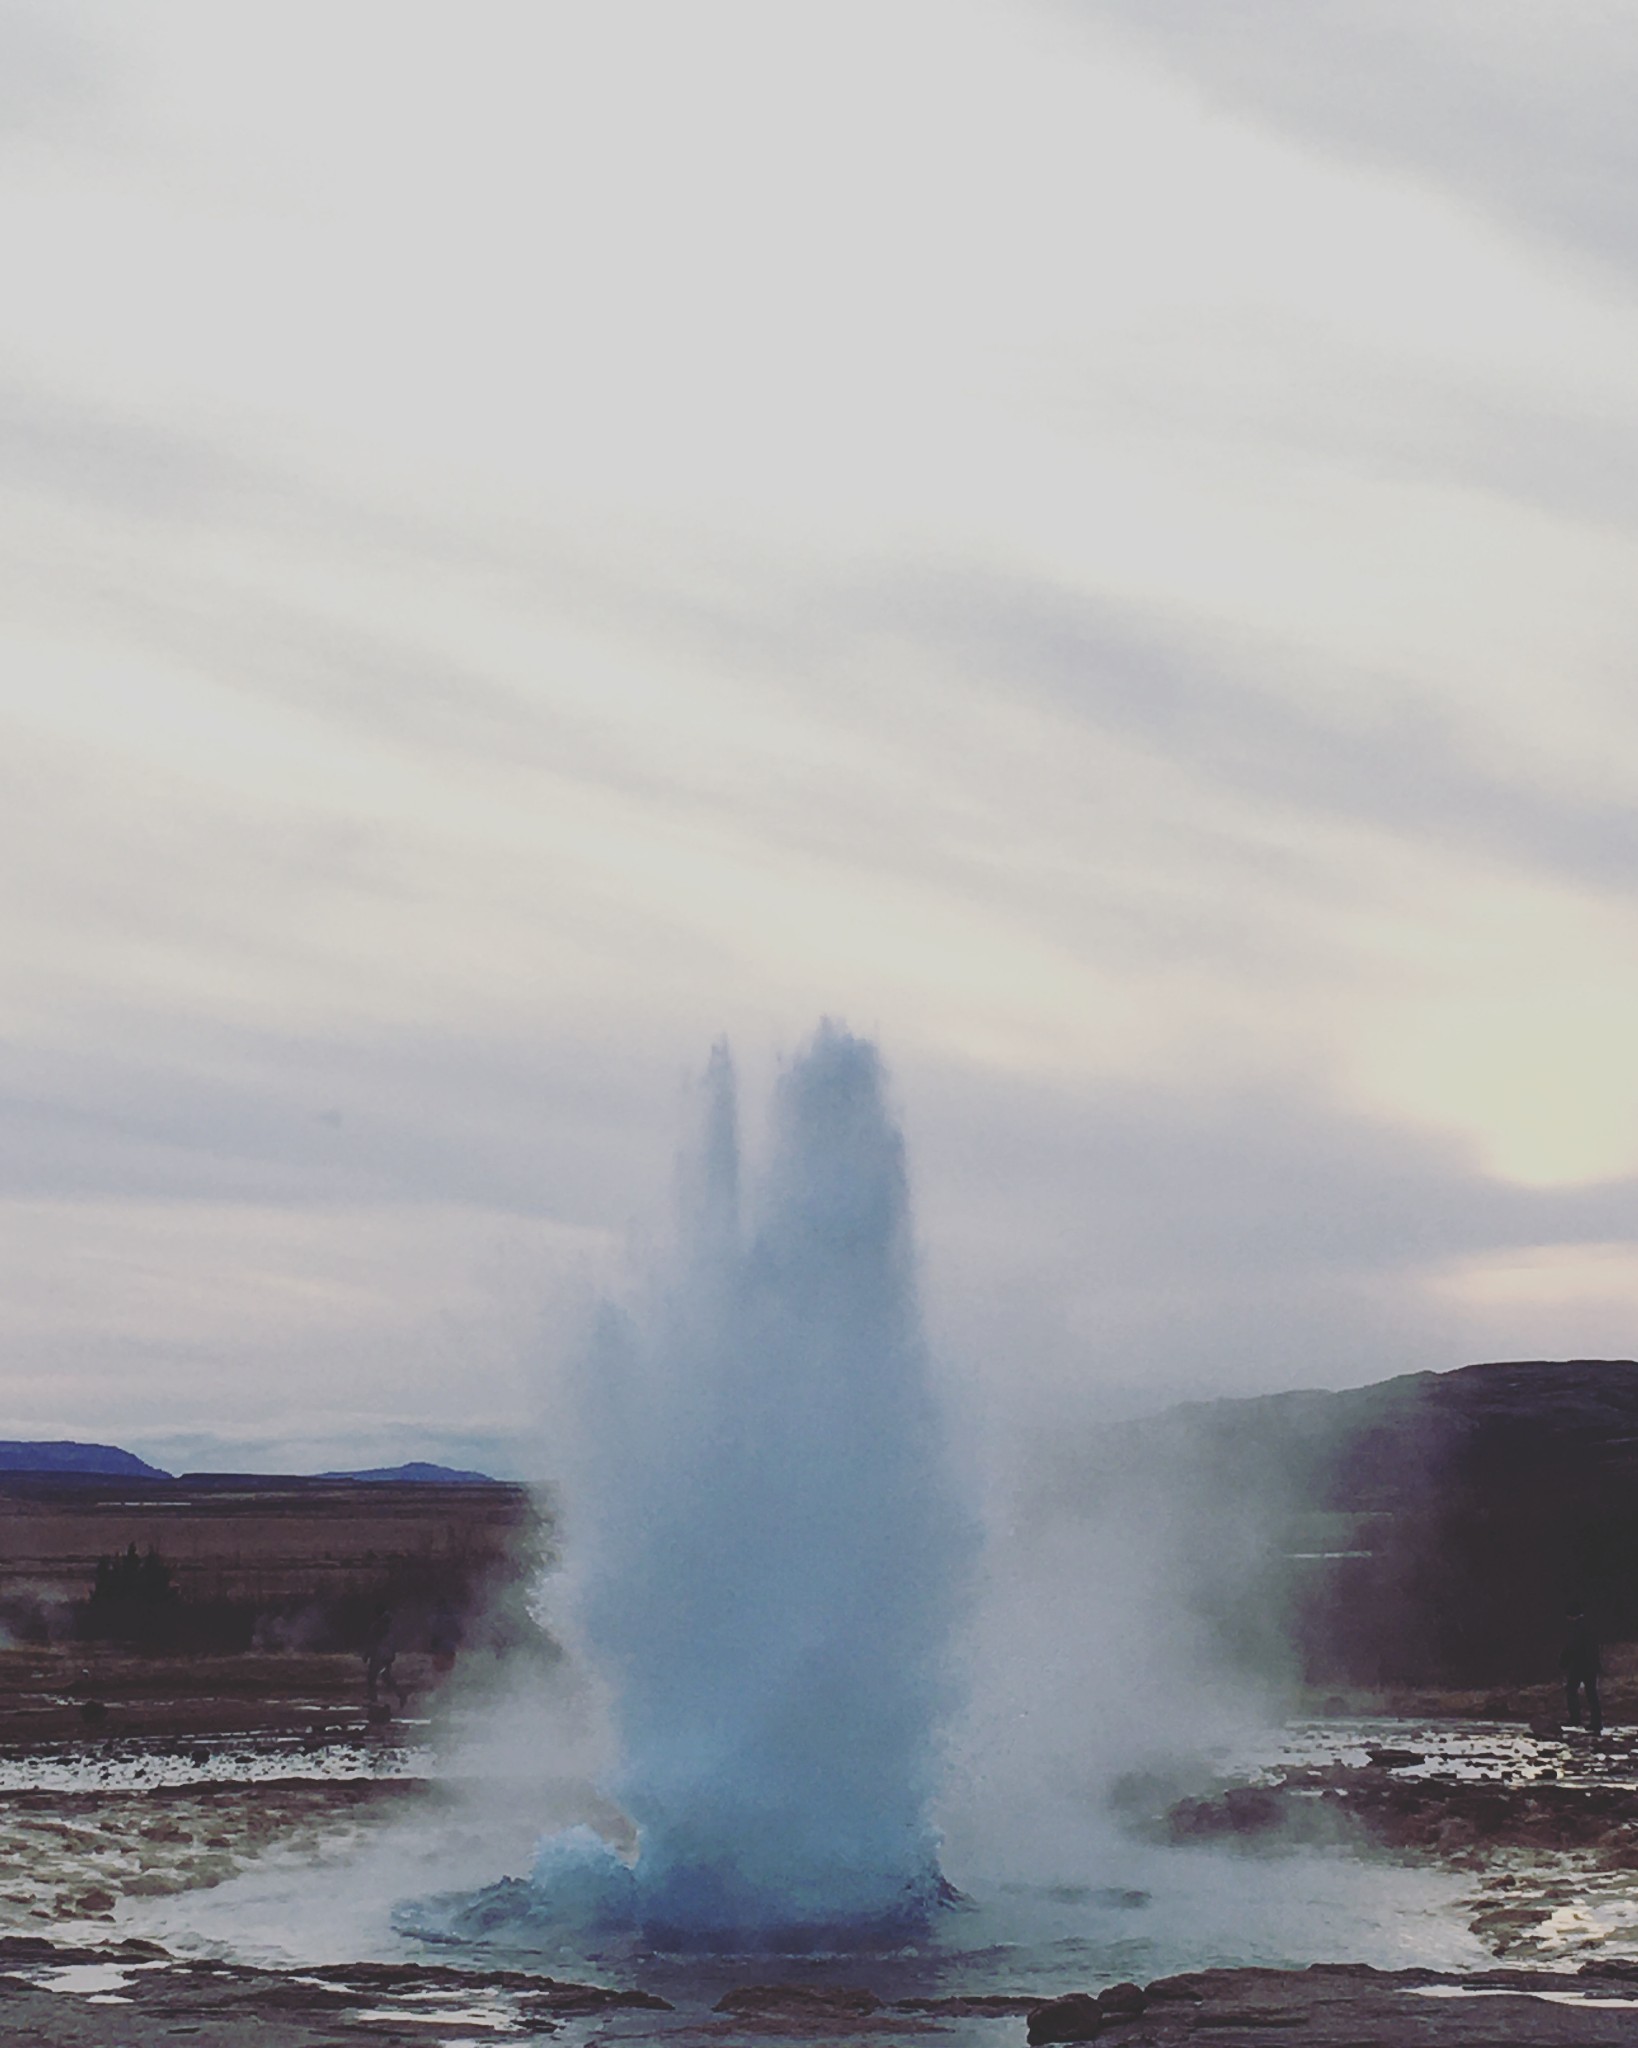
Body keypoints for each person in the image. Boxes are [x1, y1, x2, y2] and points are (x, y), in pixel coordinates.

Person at [1562, 1607, 1603, 1737]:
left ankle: (1575, 1718)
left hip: (1579, 1665)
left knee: (1571, 1690)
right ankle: (1596, 1721)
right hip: (1591, 1665)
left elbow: (1572, 1646)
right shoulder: (1590, 1626)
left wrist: (1564, 1661)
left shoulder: (1576, 1628)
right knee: (1591, 1693)